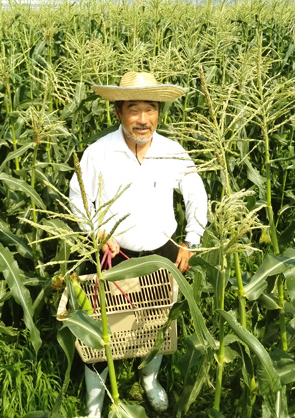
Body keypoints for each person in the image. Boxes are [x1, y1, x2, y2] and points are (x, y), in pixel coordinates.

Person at [69, 71, 208, 417]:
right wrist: (98, 232)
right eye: (134, 109)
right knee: (103, 336)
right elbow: (78, 199)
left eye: (150, 110)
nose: (142, 120)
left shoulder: (172, 151)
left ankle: (149, 379)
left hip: (162, 255)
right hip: (115, 256)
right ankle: (94, 404)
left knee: (156, 325)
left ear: (159, 112)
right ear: (118, 112)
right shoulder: (98, 153)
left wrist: (191, 241)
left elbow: (196, 194)